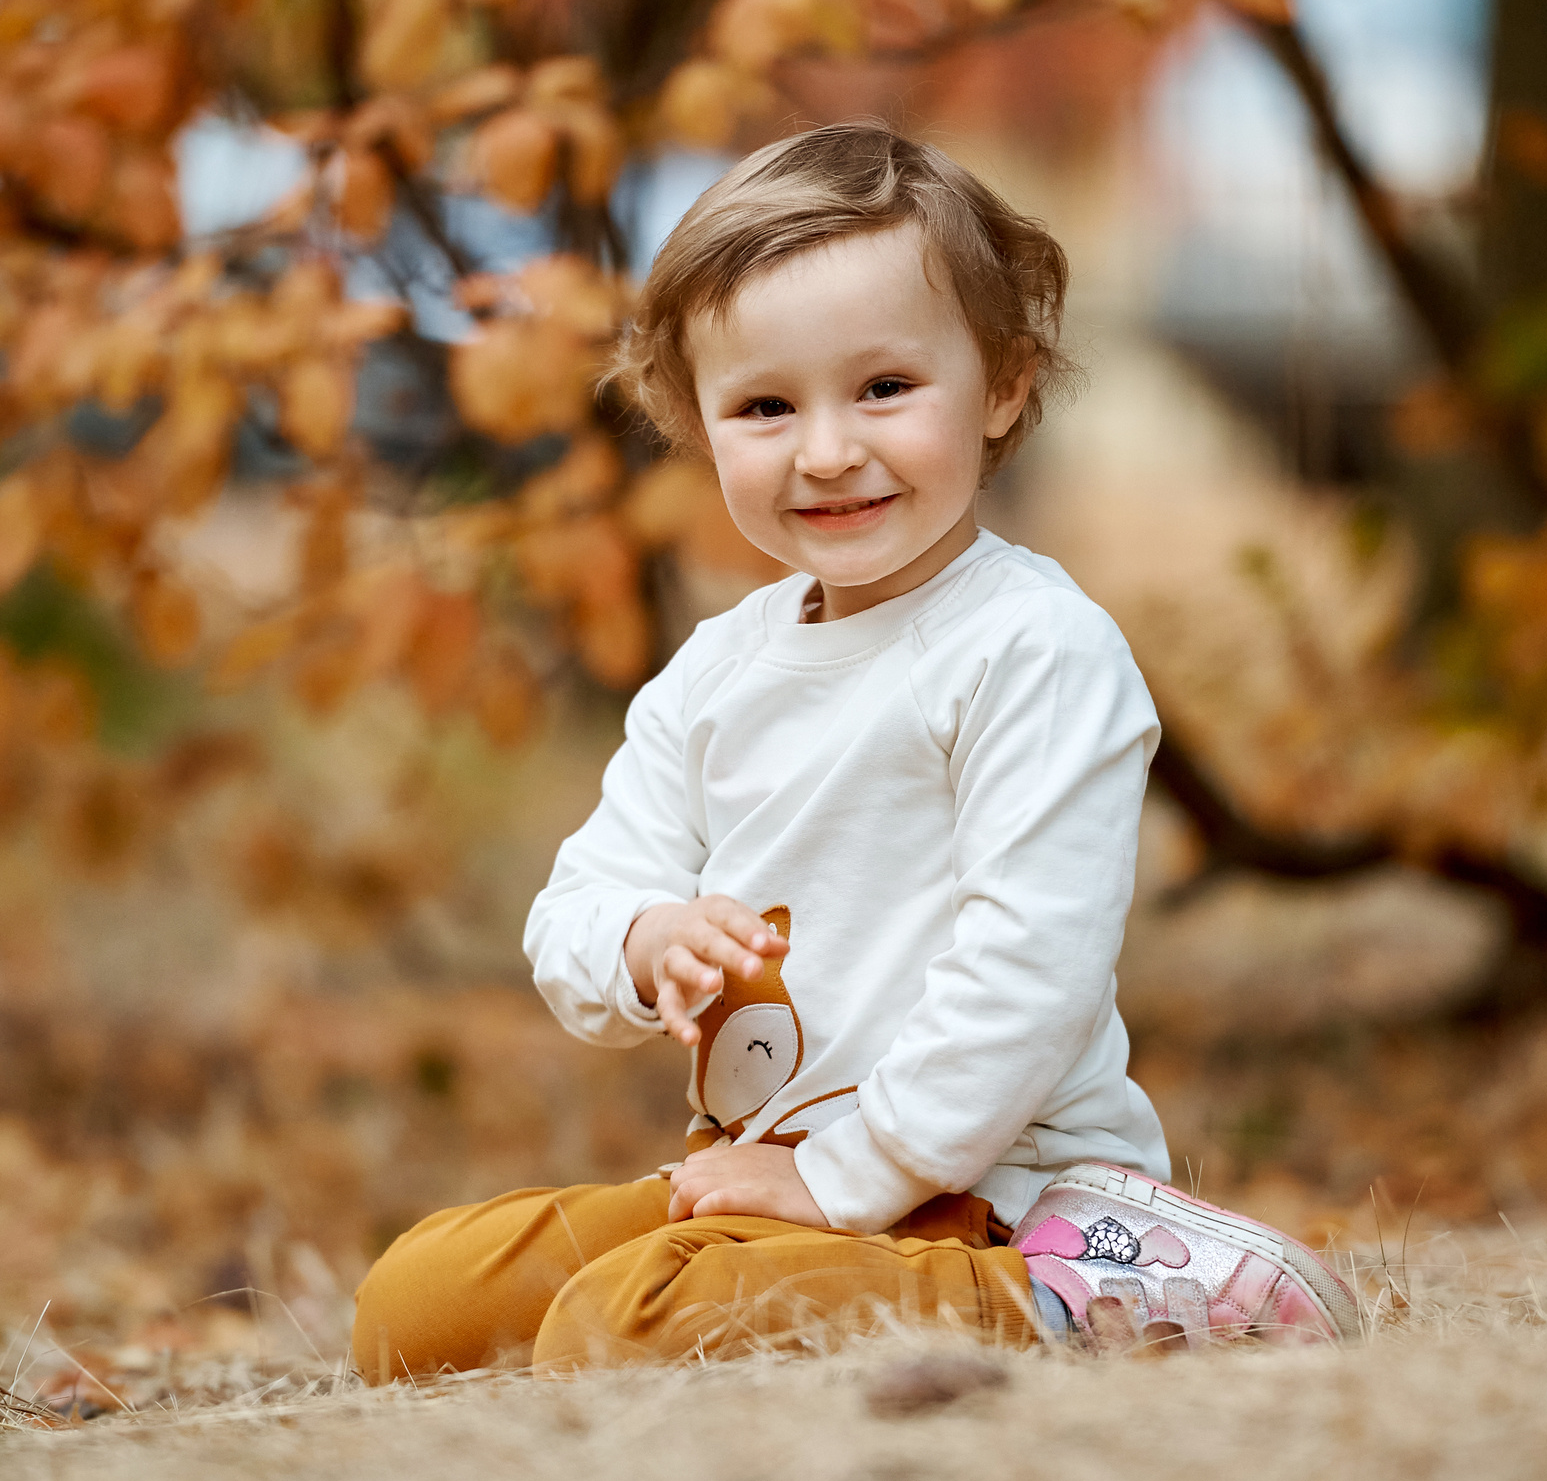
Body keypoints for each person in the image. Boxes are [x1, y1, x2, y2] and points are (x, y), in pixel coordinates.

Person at [351, 122, 1170, 1381]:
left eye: (885, 388)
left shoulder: (1031, 649)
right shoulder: (717, 673)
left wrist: (852, 1177)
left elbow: (1030, 972)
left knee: (614, 1328)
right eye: (766, 406)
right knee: (414, 1309)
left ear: (1003, 382)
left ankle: (1087, 1302)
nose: (827, 450)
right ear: (695, 424)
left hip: (1005, 1191)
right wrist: (641, 941)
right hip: (769, 1179)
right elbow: (577, 905)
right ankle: (747, 1259)